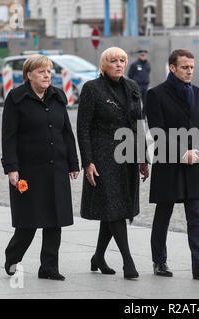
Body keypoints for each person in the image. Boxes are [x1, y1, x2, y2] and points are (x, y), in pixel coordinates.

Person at [1, 54, 80, 281]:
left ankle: (49, 267)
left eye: (49, 71)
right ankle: (13, 257)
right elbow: (9, 136)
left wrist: (73, 163)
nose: (47, 76)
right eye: (41, 72)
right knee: (29, 220)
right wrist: (11, 168)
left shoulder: (57, 96)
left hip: (57, 167)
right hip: (29, 169)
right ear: (29, 75)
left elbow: (66, 132)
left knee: (55, 219)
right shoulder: (16, 98)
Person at [146, 49, 199, 280]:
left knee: (196, 216)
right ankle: (160, 262)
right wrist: (181, 153)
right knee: (163, 213)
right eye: (185, 67)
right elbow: (157, 131)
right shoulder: (155, 94)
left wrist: (197, 152)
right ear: (172, 68)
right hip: (168, 163)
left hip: (194, 164)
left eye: (191, 67)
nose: (190, 71)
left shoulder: (198, 93)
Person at [77, 47, 149, 280]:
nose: (119, 64)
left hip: (127, 155)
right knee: (115, 207)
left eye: (122, 60)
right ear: (104, 64)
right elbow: (83, 128)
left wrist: (143, 158)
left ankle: (98, 257)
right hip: (103, 155)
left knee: (115, 207)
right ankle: (128, 261)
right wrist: (87, 161)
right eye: (113, 61)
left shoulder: (132, 87)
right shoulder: (92, 88)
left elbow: (138, 123)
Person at [128, 48, 151, 119]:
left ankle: (143, 116)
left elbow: (148, 72)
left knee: (146, 101)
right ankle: (135, 116)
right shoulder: (134, 64)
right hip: (137, 86)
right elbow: (130, 74)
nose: (143, 56)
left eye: (144, 55)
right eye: (141, 55)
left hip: (145, 86)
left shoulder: (148, 64)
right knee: (136, 102)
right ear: (139, 55)